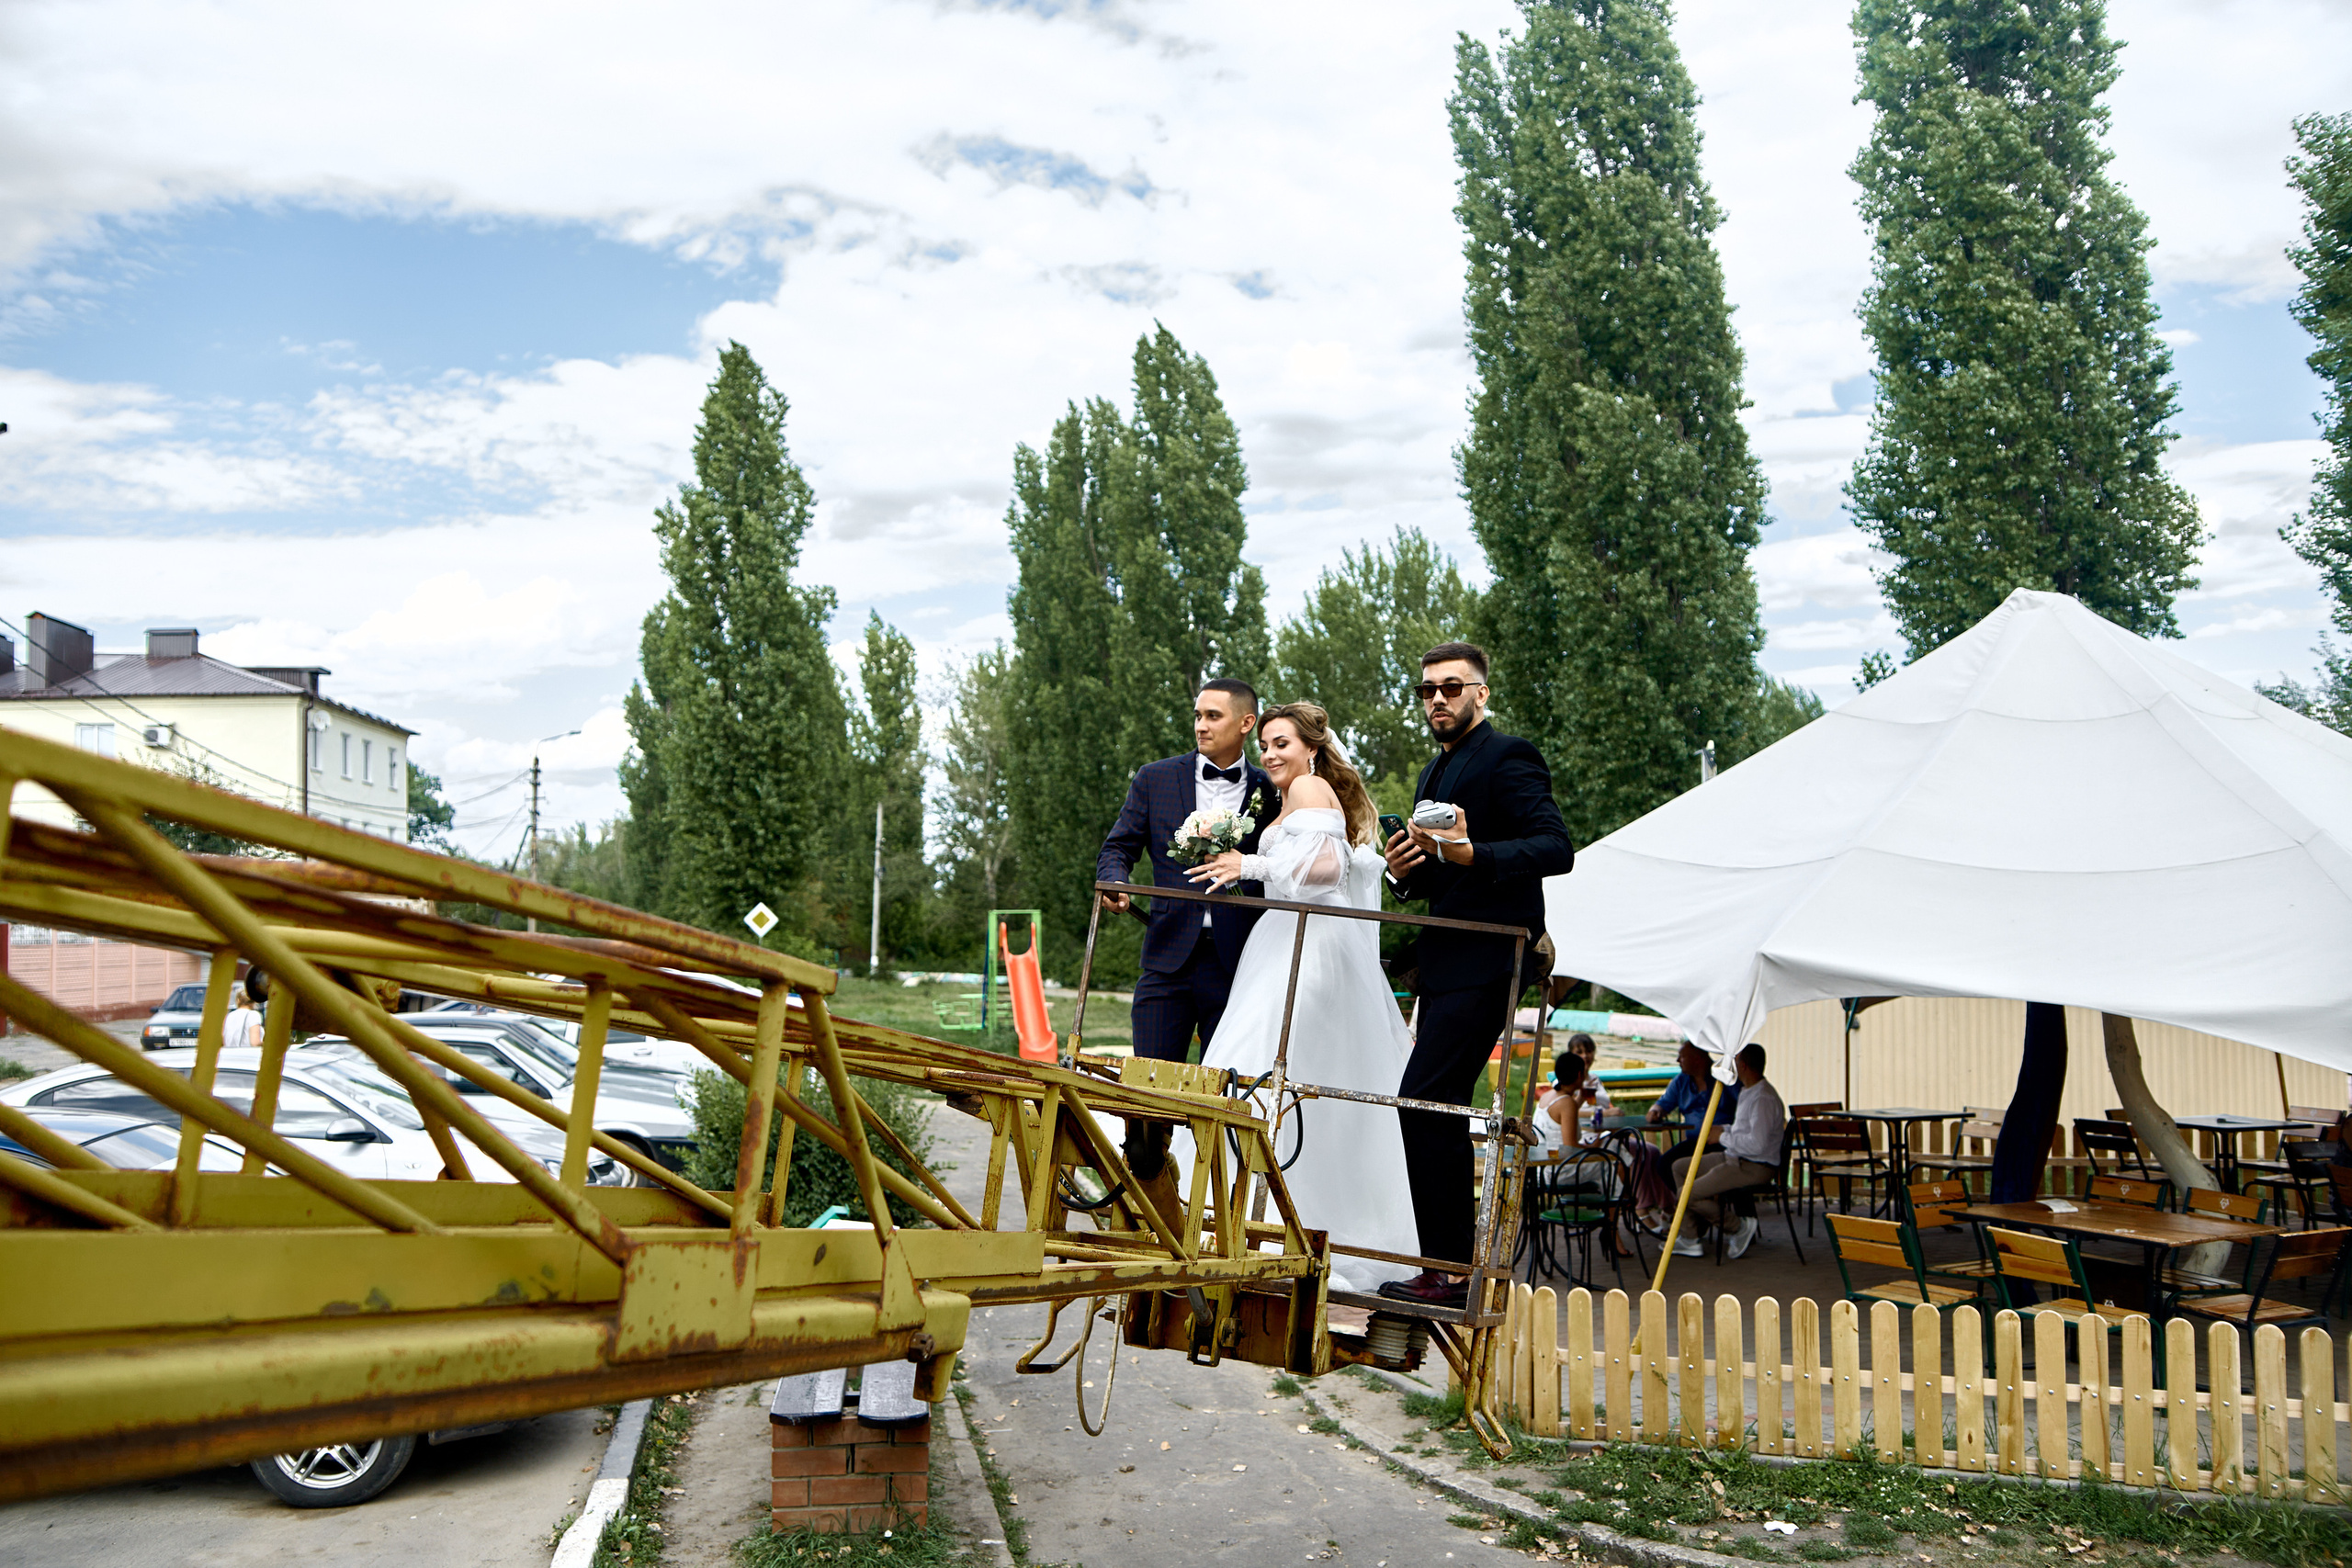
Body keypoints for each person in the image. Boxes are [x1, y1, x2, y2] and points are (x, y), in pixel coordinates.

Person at [1178, 702, 1421, 1292]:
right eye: (1265, 744)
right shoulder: (1293, 796)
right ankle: (1263, 1218)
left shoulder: (1311, 787)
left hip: (1311, 945)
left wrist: (1248, 862)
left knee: (1268, 1063)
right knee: (1269, 1067)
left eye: (1281, 742)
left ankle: (1252, 1220)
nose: (1270, 753)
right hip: (1287, 936)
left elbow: (1327, 868)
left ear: (1311, 749)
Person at [1378, 642, 1576, 1307]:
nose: (1438, 698)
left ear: (1480, 694)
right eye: (1427, 689)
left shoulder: (1508, 755)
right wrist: (1407, 873)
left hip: (1492, 959)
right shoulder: (1434, 775)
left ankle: (1450, 1271)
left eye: (1452, 687)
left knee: (1423, 1098)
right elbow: (1439, 876)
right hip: (1444, 962)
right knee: (1430, 1104)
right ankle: (1445, 1266)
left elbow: (1556, 847)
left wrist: (1473, 851)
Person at [1668, 1043, 1785, 1260]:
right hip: (1734, 1157)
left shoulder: (1763, 1099)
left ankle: (1737, 1226)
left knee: (1687, 1194)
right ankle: (1690, 1237)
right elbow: (1744, 1129)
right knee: (1679, 1167)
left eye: (1735, 1061)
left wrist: (1721, 1137)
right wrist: (1724, 1129)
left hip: (1753, 1166)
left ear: (1744, 1065)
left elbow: (1757, 1145)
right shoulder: (1748, 1090)